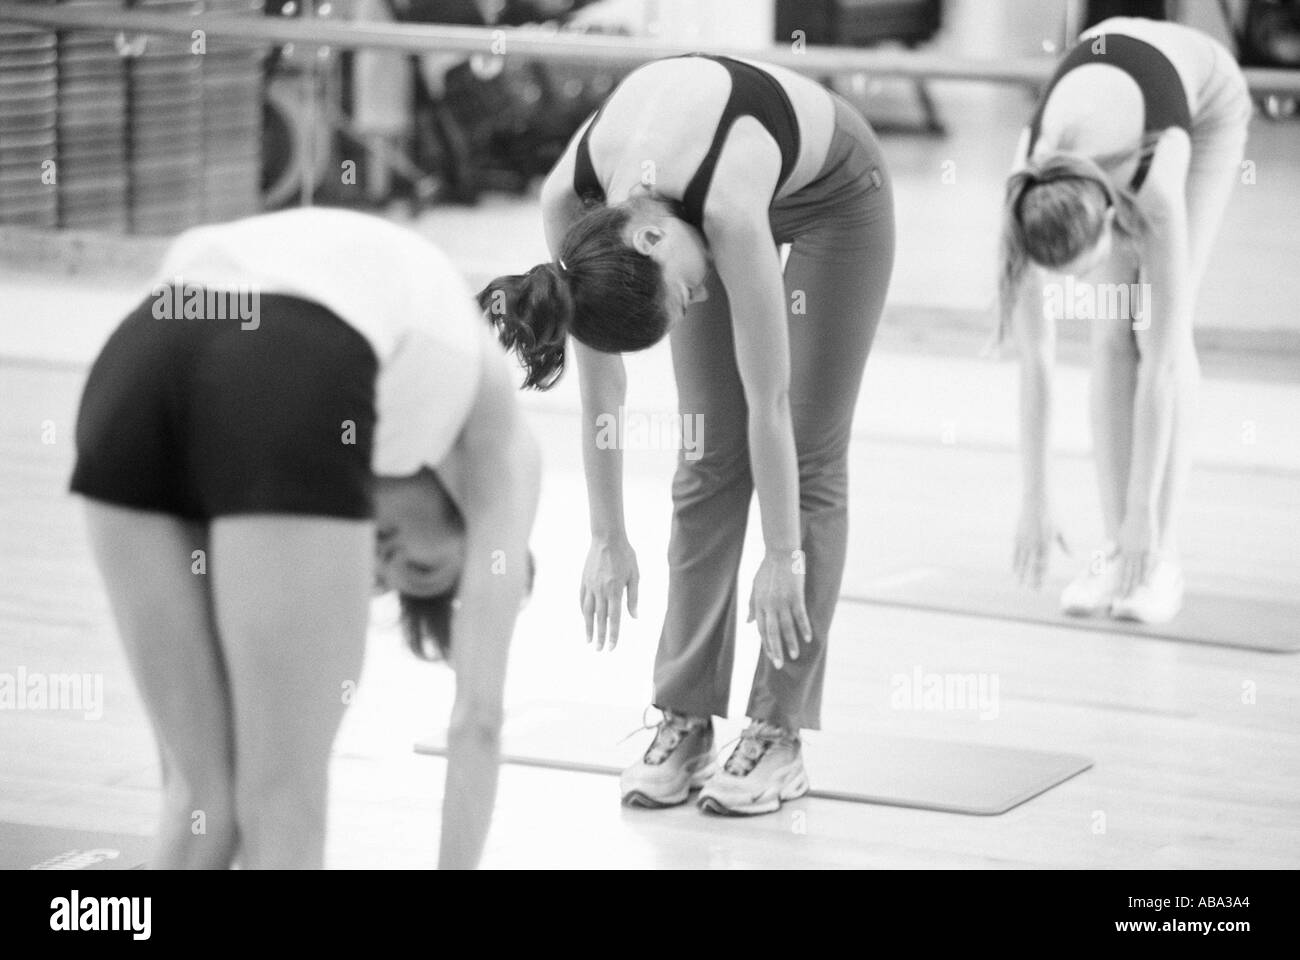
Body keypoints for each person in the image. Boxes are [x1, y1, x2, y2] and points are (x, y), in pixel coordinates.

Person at [482, 53, 894, 815]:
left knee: (804, 453)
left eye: (678, 298)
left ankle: (777, 732)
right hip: (700, 198)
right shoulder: (574, 214)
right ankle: (685, 716)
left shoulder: (727, 212)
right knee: (707, 453)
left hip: (837, 195)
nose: (692, 307)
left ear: (649, 240)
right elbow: (602, 397)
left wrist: (782, 553)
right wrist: (606, 535)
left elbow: (768, 400)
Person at [70, 207, 540, 868]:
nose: (383, 562)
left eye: (386, 578)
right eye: (424, 568)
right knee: (280, 806)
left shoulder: (381, 397)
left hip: (137, 364)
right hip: (277, 355)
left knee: (199, 803)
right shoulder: (500, 441)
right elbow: (478, 720)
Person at [1000, 17, 1251, 624]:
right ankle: (1117, 553)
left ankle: (1158, 556)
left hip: (1204, 100)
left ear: (1112, 217)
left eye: (1084, 269)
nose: (1079, 286)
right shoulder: (1024, 199)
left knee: (1153, 325)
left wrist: (1145, 511)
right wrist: (1036, 497)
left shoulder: (1153, 181)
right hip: (1111, 95)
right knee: (1110, 329)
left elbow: (1164, 363)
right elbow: (1036, 363)